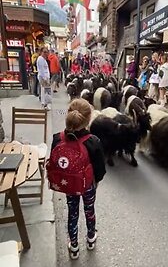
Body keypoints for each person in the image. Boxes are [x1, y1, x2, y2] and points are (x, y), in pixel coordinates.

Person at [49, 99, 106, 260]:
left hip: (68, 185)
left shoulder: (57, 138)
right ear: (88, 120)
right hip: (88, 185)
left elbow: (54, 162)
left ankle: (74, 246)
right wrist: (96, 182)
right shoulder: (93, 141)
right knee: (89, 210)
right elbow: (100, 169)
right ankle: (90, 238)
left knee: (72, 212)